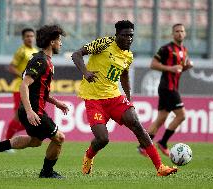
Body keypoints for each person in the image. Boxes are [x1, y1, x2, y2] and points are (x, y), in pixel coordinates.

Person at [71, 20, 177, 176]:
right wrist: (86, 73)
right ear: (117, 35)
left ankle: (160, 167)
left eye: (131, 35)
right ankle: (88, 156)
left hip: (114, 97)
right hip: (93, 98)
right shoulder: (104, 43)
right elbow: (76, 54)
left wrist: (128, 97)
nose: (129, 39)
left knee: (136, 124)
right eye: (125, 35)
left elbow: (124, 74)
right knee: (102, 139)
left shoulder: (128, 55)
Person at [0, 25, 69, 179]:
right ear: (52, 42)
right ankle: (46, 173)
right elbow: (24, 85)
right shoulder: (41, 61)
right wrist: (29, 111)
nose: (61, 43)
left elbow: (41, 90)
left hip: (32, 109)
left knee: (35, 142)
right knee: (59, 137)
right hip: (33, 110)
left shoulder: (44, 60)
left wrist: (56, 102)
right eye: (59, 40)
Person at [137, 23, 193, 157]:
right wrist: (170, 68)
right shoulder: (166, 48)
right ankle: (163, 142)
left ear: (185, 34)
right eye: (177, 31)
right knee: (181, 115)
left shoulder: (184, 50)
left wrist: (186, 67)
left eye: (182, 31)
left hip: (172, 87)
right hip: (167, 88)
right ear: (173, 34)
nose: (180, 33)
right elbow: (153, 64)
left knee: (161, 118)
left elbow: (179, 69)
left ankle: (143, 146)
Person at [6, 28, 38, 140]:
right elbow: (11, 67)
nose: (30, 38)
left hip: (31, 89)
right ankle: (7, 142)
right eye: (27, 36)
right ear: (23, 38)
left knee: (31, 117)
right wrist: (23, 75)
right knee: (18, 117)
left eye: (31, 36)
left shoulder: (36, 51)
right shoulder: (21, 51)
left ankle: (8, 139)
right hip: (19, 88)